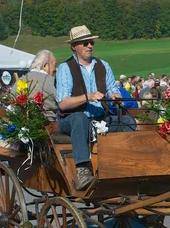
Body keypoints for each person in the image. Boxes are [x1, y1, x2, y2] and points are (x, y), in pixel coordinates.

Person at [56, 25, 121, 190]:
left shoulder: (103, 65)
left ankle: (125, 164)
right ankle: (83, 170)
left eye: (91, 42)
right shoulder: (65, 68)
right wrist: (88, 96)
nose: (89, 46)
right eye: (84, 43)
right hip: (71, 120)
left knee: (127, 120)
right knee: (80, 118)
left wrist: (115, 97)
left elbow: (113, 89)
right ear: (74, 47)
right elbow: (63, 103)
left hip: (99, 119)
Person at [18, 49, 58, 120]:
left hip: (20, 125)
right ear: (45, 65)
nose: (56, 69)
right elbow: (63, 102)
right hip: (48, 125)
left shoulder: (19, 81)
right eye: (55, 65)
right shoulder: (50, 81)